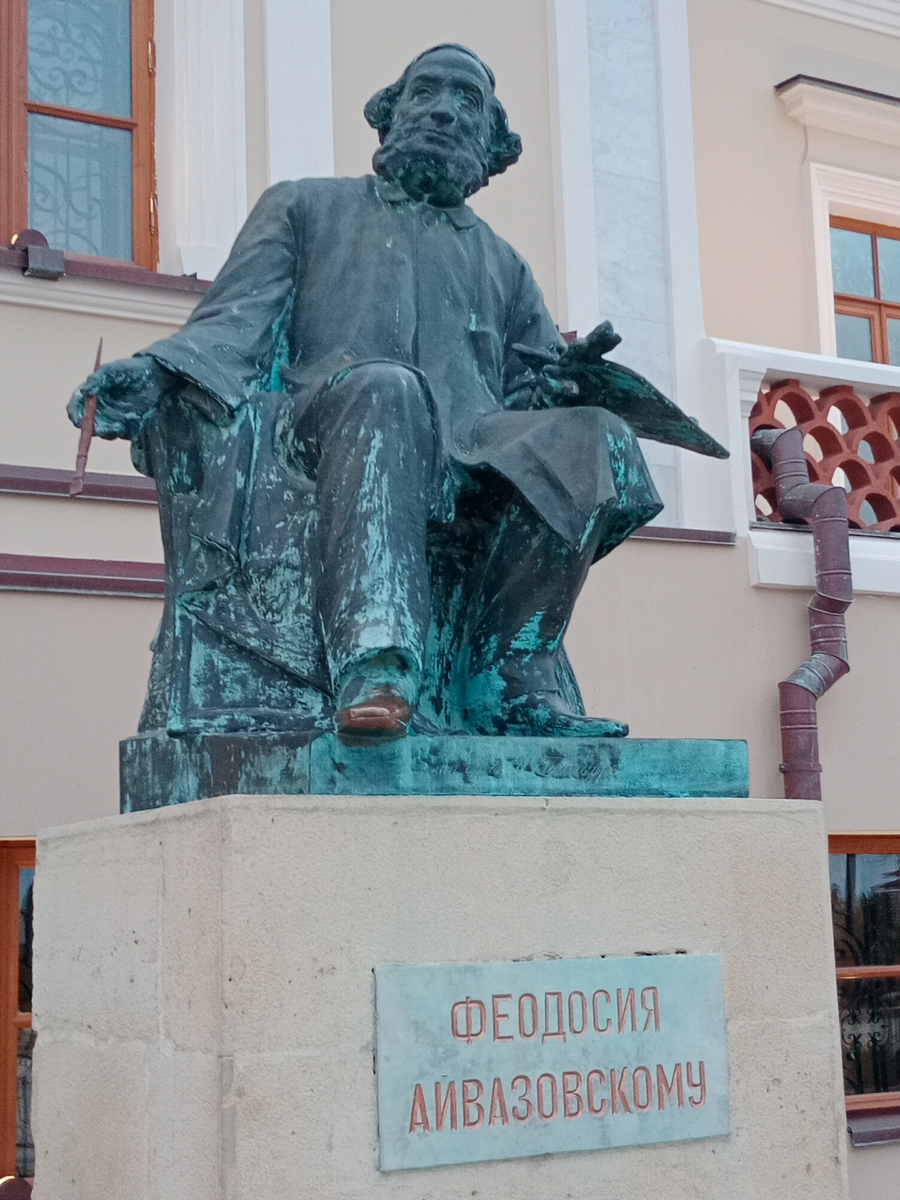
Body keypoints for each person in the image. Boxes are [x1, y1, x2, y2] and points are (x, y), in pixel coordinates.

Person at [68, 44, 710, 746]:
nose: (443, 111)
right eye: (425, 92)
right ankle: (376, 665)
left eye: (466, 102)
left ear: (492, 144)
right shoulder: (305, 206)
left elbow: (526, 394)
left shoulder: (505, 264)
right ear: (389, 113)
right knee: (387, 387)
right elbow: (232, 324)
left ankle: (510, 679)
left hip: (470, 440)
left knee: (598, 439)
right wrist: (157, 372)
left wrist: (561, 385)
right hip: (325, 422)